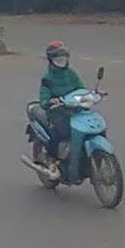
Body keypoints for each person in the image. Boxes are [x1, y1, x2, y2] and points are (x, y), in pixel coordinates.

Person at [37, 40, 85, 179]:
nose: (61, 61)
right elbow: (44, 97)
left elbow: (81, 88)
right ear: (51, 60)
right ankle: (52, 161)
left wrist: (92, 94)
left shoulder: (71, 73)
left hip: (75, 110)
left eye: (63, 58)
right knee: (58, 134)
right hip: (57, 113)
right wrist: (50, 101)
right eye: (58, 59)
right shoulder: (47, 78)